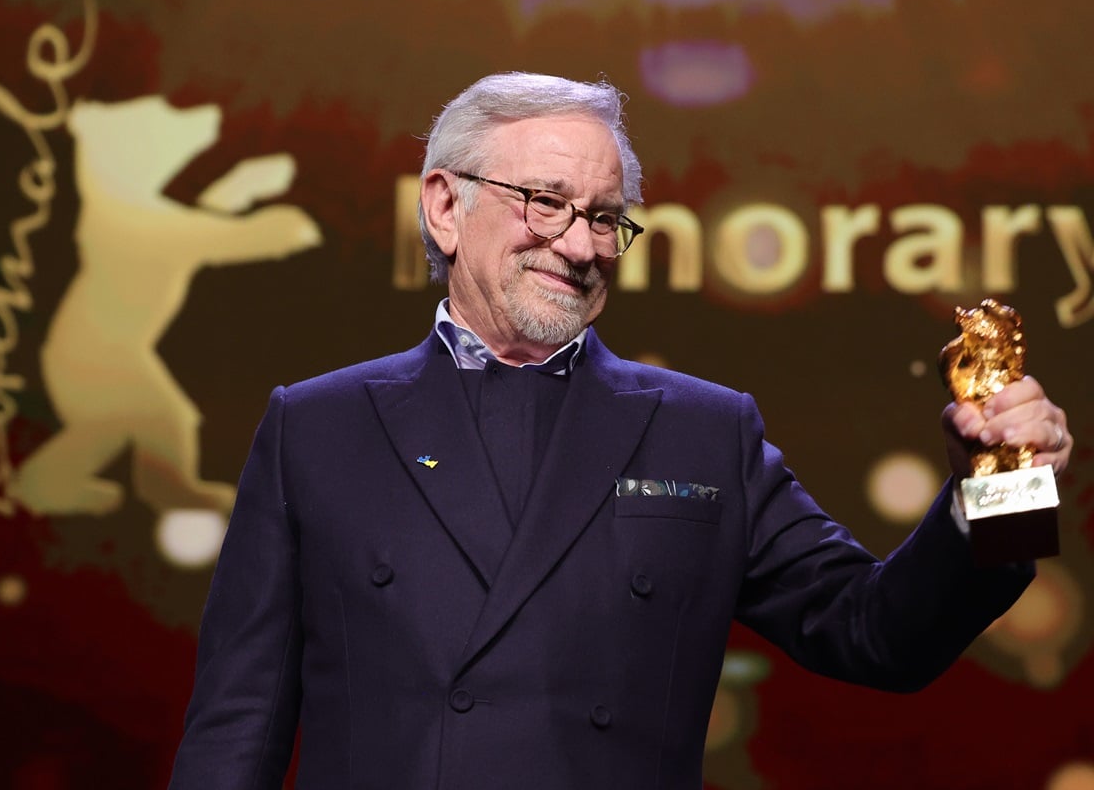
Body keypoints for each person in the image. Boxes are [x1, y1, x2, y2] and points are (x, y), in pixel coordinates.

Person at [168, 72, 1073, 789]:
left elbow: (881, 636)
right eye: (546, 201)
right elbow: (235, 728)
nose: (582, 243)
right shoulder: (315, 427)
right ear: (446, 205)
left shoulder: (704, 432)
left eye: (606, 218)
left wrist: (1005, 482)